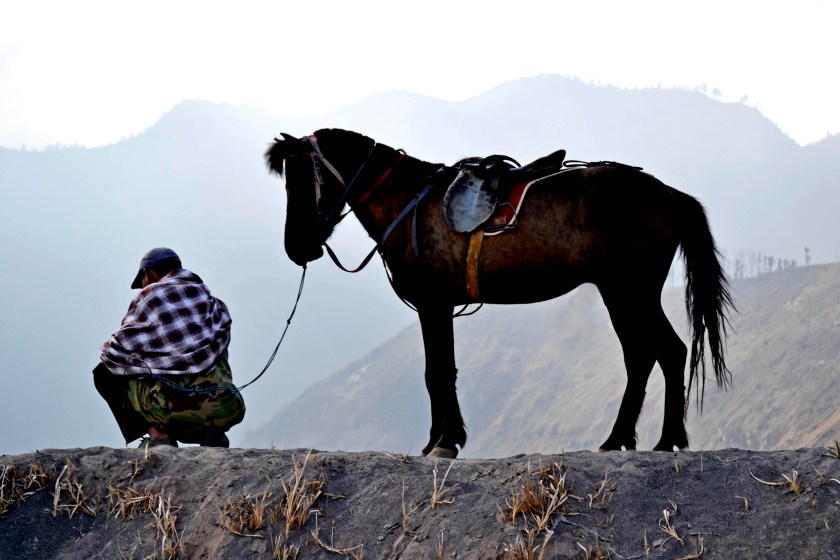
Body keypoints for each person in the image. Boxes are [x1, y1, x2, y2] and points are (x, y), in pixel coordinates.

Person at [94, 247, 245, 448]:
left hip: (175, 408)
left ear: (148, 274)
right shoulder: (211, 302)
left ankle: (158, 436)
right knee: (214, 355)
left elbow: (113, 353)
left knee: (103, 374)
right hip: (224, 407)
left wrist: (146, 363)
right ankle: (212, 434)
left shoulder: (150, 297)